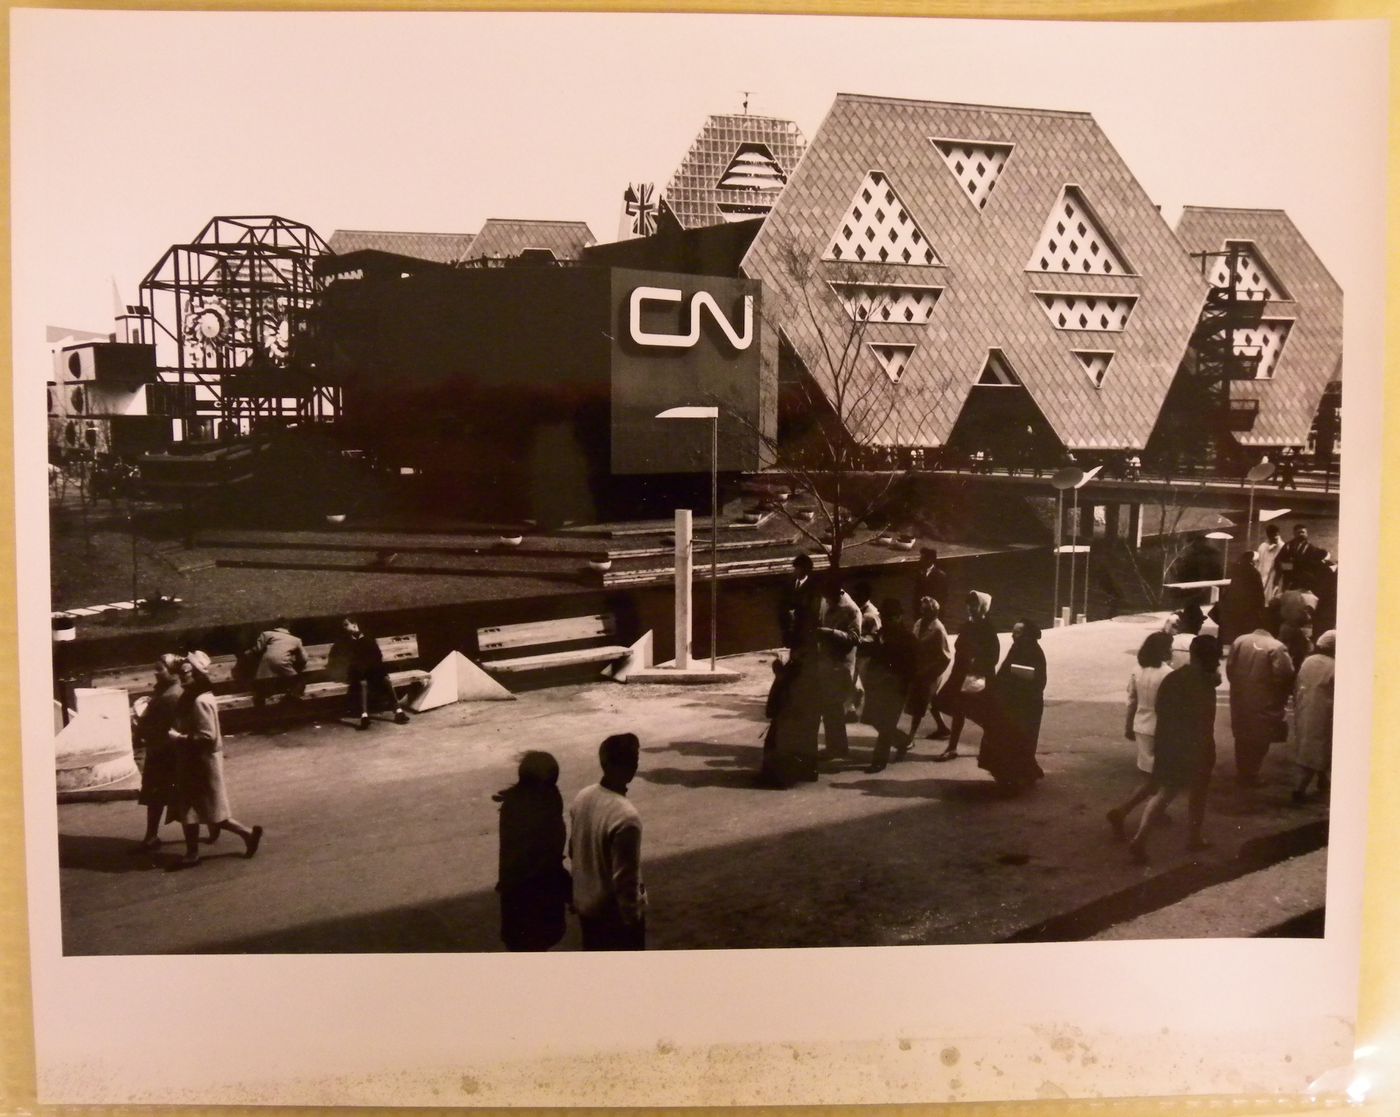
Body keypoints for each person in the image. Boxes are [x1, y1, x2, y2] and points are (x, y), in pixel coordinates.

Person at [1127, 635, 1223, 864]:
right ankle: (1194, 837)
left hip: (1170, 743)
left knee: (1165, 793)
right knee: (1198, 795)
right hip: (1198, 746)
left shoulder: (1173, 677)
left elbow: (1162, 709)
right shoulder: (1206, 683)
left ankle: (1141, 838)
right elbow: (1205, 719)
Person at [165, 651, 264, 869]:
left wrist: (178, 737)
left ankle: (196, 853)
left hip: (198, 762)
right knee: (206, 808)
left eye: (186, 673)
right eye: (181, 674)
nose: (183, 678)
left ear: (197, 674)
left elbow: (206, 736)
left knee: (195, 808)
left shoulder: (199, 700)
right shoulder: (199, 695)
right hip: (199, 761)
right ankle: (245, 834)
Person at [570, 733, 646, 950]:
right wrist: (632, 920)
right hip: (613, 917)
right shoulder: (626, 816)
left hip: (587, 907)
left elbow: (574, 850)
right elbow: (625, 879)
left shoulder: (583, 796)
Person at [493, 751, 570, 951]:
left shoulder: (514, 801)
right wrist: (569, 889)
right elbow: (547, 858)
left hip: (515, 898)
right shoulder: (545, 803)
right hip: (536, 898)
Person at [1106, 631, 1176, 839]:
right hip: (1160, 728)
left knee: (1151, 776)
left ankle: (1136, 811)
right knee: (1162, 778)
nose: (1171, 651)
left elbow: (1132, 700)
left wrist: (1128, 725)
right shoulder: (1167, 673)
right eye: (1169, 647)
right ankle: (1126, 811)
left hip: (1141, 725)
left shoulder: (1137, 669)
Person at [976, 620, 1047, 791]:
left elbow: (1039, 680)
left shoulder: (1036, 653)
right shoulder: (1017, 648)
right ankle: (1022, 774)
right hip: (1011, 704)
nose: (1012, 635)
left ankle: (1015, 778)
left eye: (1017, 633)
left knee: (1017, 741)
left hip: (1027, 705)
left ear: (1027, 635)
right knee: (1013, 741)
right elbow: (1004, 671)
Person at [129, 654, 188, 851]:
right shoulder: (166, 690)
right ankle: (151, 836)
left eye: (160, 669)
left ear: (172, 672)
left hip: (165, 752)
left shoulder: (172, 695)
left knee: (170, 796)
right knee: (157, 797)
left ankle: (154, 837)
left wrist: (142, 725)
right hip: (161, 750)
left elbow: (164, 726)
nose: (155, 672)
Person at [1226, 622, 1296, 786]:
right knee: (1261, 735)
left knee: (1242, 734)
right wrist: (1281, 695)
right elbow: (1285, 675)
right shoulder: (1277, 647)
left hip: (1240, 696)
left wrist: (1238, 686)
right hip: (1265, 698)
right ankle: (1252, 773)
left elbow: (1230, 668)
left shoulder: (1240, 640)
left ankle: (1242, 771)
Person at [933, 591, 1000, 761]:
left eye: (975, 605)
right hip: (961, 673)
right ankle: (956, 746)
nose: (970, 608)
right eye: (969, 604)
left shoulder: (988, 628)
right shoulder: (967, 626)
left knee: (971, 711)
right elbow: (960, 648)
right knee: (953, 706)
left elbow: (993, 655)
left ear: (983, 607)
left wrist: (976, 662)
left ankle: (957, 747)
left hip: (977, 676)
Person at [863, 599, 919, 773]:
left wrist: (905, 687)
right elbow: (874, 658)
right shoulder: (881, 634)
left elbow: (912, 667)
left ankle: (879, 761)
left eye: (890, 617)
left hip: (897, 688)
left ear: (899, 617)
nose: (887, 620)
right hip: (879, 685)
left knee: (886, 723)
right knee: (874, 719)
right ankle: (904, 741)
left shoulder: (908, 638)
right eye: (885, 617)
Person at [332, 616, 412, 729]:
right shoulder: (345, 641)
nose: (344, 627)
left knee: (385, 679)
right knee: (363, 683)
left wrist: (371, 666)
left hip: (372, 669)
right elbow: (346, 659)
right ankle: (364, 716)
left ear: (354, 624)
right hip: (356, 671)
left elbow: (377, 655)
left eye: (346, 624)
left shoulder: (368, 637)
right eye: (343, 625)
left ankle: (398, 711)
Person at [814, 579, 861, 759]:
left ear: (838, 593)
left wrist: (830, 633)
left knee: (834, 709)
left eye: (828, 596)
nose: (826, 599)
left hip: (840, 666)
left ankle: (838, 748)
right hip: (826, 662)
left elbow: (854, 638)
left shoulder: (851, 609)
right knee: (829, 709)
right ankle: (836, 746)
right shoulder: (826, 601)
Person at [1289, 630, 1336, 804]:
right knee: (1318, 748)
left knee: (1309, 746)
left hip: (1305, 707)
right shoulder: (1334, 665)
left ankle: (1322, 778)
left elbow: (1298, 684)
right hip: (1324, 711)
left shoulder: (1308, 661)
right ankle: (1298, 790)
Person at [906, 596, 952, 742]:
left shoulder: (938, 629)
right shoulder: (919, 623)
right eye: (922, 609)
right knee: (930, 700)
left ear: (934, 612)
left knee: (919, 705)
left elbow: (945, 657)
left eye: (925, 610)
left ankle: (910, 737)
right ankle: (943, 728)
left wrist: (930, 674)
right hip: (919, 670)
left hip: (931, 673)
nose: (922, 612)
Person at [249, 618, 308, 708]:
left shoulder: (266, 634)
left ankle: (260, 703)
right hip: (283, 665)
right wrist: (297, 665)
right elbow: (304, 659)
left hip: (266, 667)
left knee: (264, 689)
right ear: (288, 628)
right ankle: (291, 698)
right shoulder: (296, 640)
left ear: (275, 626)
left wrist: (247, 653)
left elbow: (257, 649)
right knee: (299, 683)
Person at [1216, 551, 1265, 645]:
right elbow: (1259, 594)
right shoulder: (1254, 573)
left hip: (1232, 606)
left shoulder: (1235, 570)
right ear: (1252, 561)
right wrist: (1261, 609)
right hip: (1247, 608)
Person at [850, 582, 882, 720]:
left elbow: (876, 636)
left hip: (866, 655)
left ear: (866, 596)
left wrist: (860, 639)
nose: (855, 596)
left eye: (859, 594)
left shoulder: (872, 613)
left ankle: (871, 713)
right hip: (855, 652)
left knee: (868, 684)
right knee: (849, 681)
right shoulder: (855, 609)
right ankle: (850, 711)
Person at [779, 554, 822, 652]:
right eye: (795, 568)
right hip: (791, 632)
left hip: (805, 632)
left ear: (805, 569)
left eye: (798, 568)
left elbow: (812, 612)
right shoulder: (789, 584)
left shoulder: (813, 587)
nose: (795, 571)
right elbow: (783, 605)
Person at [1275, 524, 1329, 594]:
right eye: (1299, 532)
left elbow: (1313, 564)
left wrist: (1297, 566)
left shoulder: (1311, 548)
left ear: (1307, 534)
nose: (1301, 534)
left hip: (1304, 581)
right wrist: (1289, 567)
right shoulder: (1288, 546)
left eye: (1303, 532)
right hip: (1289, 579)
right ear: (1294, 534)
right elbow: (1278, 560)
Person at [913, 547, 949, 617]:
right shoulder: (919, 573)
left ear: (930, 560)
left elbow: (942, 597)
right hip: (920, 613)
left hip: (934, 613)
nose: (920, 560)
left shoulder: (940, 575)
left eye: (922, 558)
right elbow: (916, 594)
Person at [1255, 523, 1285, 602]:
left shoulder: (1282, 546)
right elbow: (1258, 562)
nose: (1274, 537)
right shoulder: (1262, 546)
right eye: (1271, 535)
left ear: (1278, 534)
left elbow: (1283, 564)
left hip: (1274, 576)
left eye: (1275, 535)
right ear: (1268, 535)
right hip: (1262, 574)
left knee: (1272, 597)